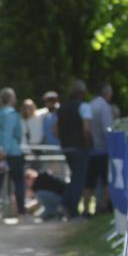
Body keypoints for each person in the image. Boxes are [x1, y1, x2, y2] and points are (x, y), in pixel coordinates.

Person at [0, 87, 25, 223]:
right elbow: (12, 134)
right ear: (11, 99)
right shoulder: (12, 114)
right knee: (18, 182)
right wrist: (7, 150)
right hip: (12, 152)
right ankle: (21, 214)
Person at [55, 79, 92, 218]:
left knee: (74, 177)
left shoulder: (62, 107)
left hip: (66, 147)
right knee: (79, 179)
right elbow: (86, 129)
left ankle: (64, 205)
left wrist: (64, 140)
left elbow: (55, 130)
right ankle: (71, 210)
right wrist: (88, 144)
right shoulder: (84, 106)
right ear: (82, 92)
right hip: (80, 147)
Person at [85, 83, 114, 215]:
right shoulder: (105, 107)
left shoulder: (89, 105)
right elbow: (107, 129)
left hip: (91, 150)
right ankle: (103, 207)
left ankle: (86, 210)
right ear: (107, 94)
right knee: (106, 180)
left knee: (89, 182)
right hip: (103, 150)